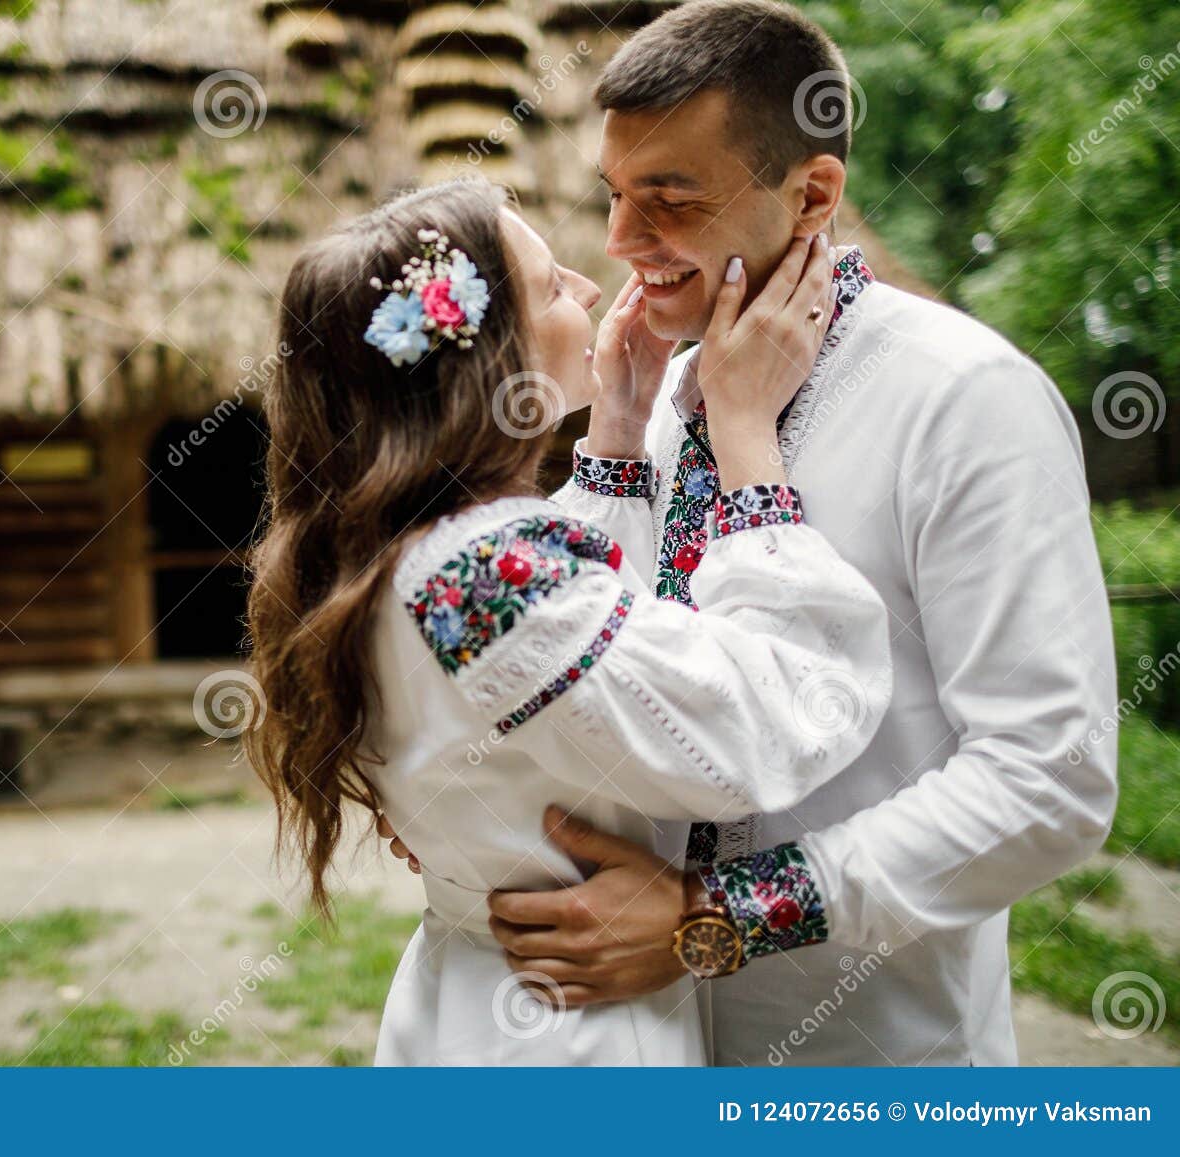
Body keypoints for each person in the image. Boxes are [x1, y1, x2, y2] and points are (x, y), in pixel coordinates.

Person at [385, 0, 1118, 1066]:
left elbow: (1051, 776)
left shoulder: (966, 399)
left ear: (811, 192)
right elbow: (613, 669)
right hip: (636, 1052)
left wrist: (712, 913)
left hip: (871, 1055)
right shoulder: (663, 391)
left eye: (668, 202)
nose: (624, 246)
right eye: (615, 197)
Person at [245, 176, 892, 1064]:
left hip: (472, 998)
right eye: (552, 286)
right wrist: (747, 442)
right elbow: (763, 729)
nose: (591, 288)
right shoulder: (483, 571)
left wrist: (620, 432)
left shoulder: (392, 555)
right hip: (572, 1033)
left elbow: (567, 670)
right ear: (487, 360)